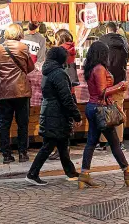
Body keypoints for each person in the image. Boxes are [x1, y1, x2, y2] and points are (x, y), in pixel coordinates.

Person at [78, 41, 129, 188]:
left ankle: (84, 174)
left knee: (91, 142)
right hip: (101, 110)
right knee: (114, 143)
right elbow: (103, 92)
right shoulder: (100, 69)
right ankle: (127, 171)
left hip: (93, 107)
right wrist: (120, 86)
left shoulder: (91, 68)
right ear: (103, 54)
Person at [26, 47, 82, 185]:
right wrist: (76, 115)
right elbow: (66, 98)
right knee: (49, 145)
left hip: (51, 112)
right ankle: (32, 174)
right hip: (56, 114)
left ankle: (70, 172)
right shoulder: (59, 74)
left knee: (62, 144)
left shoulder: (48, 72)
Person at [0, 23, 35, 164]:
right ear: (19, 34)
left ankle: (6, 155)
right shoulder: (23, 48)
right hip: (21, 90)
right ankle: (23, 153)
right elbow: (30, 67)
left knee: (4, 123)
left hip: (4, 90)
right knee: (23, 123)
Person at [98, 21, 129, 151]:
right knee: (118, 110)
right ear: (117, 30)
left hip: (105, 81)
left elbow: (97, 60)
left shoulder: (101, 41)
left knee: (103, 111)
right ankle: (120, 142)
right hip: (120, 81)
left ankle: (104, 143)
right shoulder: (124, 42)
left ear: (106, 30)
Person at [48, 29, 78, 161]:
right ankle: (64, 150)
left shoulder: (60, 51)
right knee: (66, 122)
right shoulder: (72, 49)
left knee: (59, 122)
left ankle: (61, 151)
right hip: (71, 89)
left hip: (61, 88)